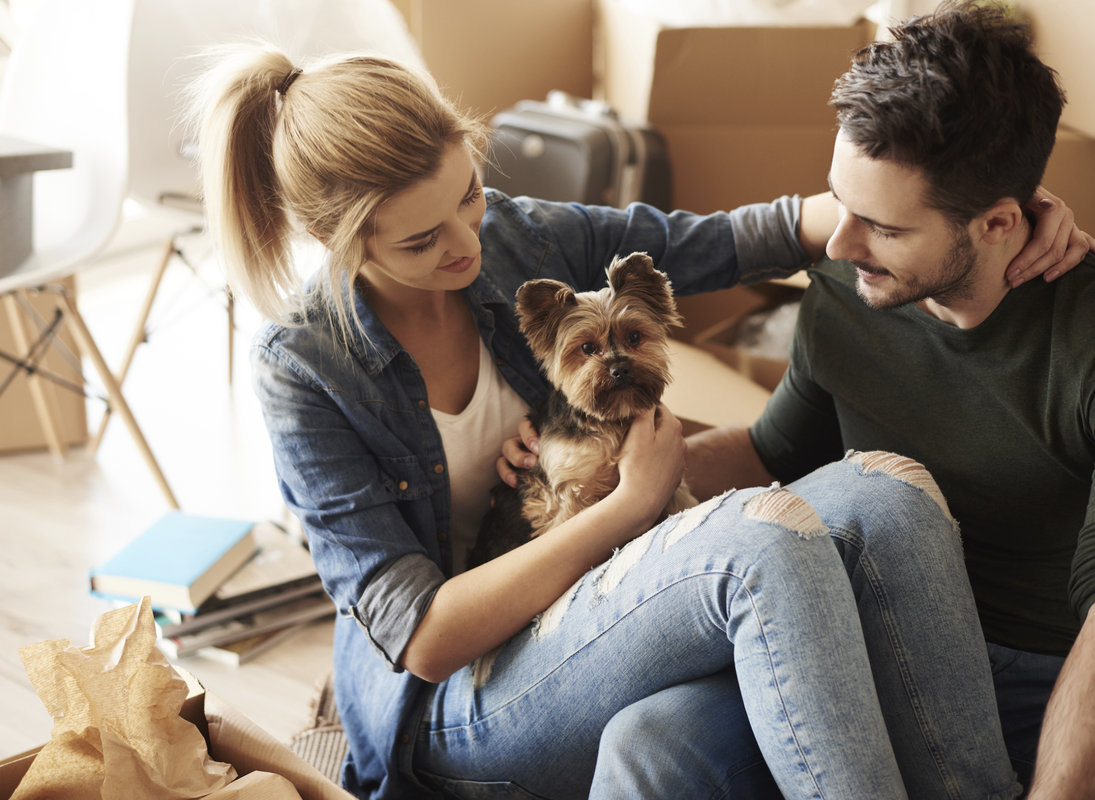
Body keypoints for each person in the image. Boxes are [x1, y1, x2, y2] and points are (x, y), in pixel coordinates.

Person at [187, 36, 1086, 800]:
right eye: (421, 241)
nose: (467, 243)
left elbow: (735, 238)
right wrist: (627, 502)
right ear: (343, 243)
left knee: (882, 490)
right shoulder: (305, 370)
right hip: (464, 693)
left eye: (468, 195)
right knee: (759, 542)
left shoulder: (511, 234)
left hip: (596, 606)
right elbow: (421, 641)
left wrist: (1003, 209)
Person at [610, 2, 1092, 796]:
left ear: (1000, 222)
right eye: (838, 204)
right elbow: (774, 451)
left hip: (1031, 671)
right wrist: (602, 485)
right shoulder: (846, 285)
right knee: (653, 743)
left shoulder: (1079, 338)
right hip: (856, 627)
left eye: (881, 227)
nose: (836, 246)